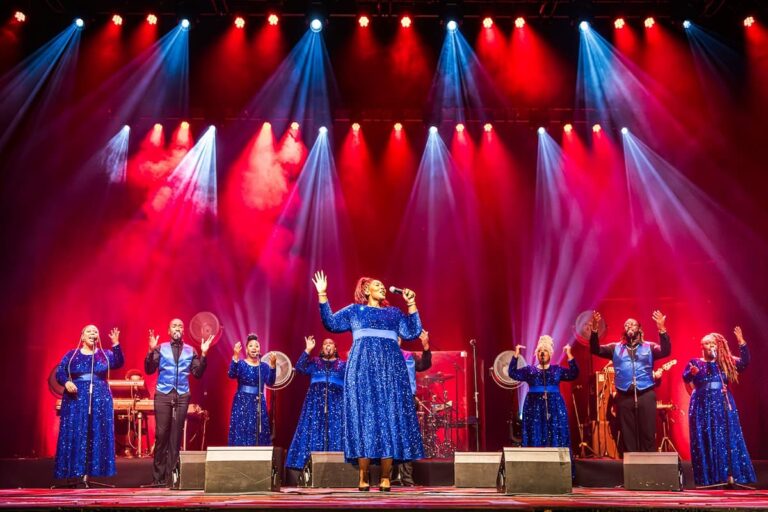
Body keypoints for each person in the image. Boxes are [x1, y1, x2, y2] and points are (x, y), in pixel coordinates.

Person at [312, 270, 423, 492]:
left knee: (389, 418)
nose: (382, 287)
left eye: (383, 285)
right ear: (366, 290)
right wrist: (322, 295)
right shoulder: (355, 311)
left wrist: (411, 304)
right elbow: (331, 323)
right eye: (377, 284)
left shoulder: (393, 313)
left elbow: (412, 331)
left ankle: (385, 476)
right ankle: (363, 474)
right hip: (361, 370)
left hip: (391, 372)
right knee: (363, 418)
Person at [683, 327, 755, 486]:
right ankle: (709, 477)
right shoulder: (695, 362)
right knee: (705, 438)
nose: (710, 346)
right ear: (702, 347)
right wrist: (692, 374)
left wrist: (741, 342)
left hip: (722, 403)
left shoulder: (724, 361)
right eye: (707, 344)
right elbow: (685, 376)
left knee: (724, 438)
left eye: (713, 343)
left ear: (718, 345)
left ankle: (728, 474)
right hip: (701, 404)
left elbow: (744, 363)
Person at [589, 310, 670, 453]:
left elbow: (666, 351)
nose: (629, 326)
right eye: (626, 325)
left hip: (646, 394)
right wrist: (594, 330)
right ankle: (631, 469)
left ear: (639, 328)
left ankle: (649, 468)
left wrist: (661, 329)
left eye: (632, 324)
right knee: (628, 435)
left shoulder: (649, 347)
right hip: (625, 395)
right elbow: (595, 349)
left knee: (647, 433)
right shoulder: (615, 348)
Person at [145, 318, 212, 486]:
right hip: (163, 394)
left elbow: (197, 373)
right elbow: (149, 369)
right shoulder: (161, 348)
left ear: (183, 331)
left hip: (182, 395)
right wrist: (150, 350)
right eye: (174, 326)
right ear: (169, 330)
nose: (177, 328)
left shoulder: (191, 350)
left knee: (176, 437)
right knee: (162, 435)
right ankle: (157, 478)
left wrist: (203, 354)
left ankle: (171, 478)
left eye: (180, 326)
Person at [54, 325, 124, 483]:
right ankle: (74, 472)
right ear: (82, 336)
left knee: (95, 432)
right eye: (89, 331)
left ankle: (90, 473)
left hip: (100, 397)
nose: (93, 333)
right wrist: (66, 383)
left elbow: (118, 362)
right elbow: (60, 372)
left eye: (95, 332)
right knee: (77, 431)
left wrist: (116, 344)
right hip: (76, 397)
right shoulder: (72, 355)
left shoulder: (104, 355)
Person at [285, 336, 346, 471]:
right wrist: (308, 349)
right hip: (315, 405)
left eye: (331, 344)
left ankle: (336, 467)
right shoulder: (315, 362)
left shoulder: (343, 365)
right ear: (322, 348)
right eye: (325, 344)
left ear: (335, 348)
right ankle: (309, 466)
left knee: (335, 431)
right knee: (313, 430)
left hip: (336, 405)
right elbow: (300, 368)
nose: (328, 345)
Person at [508, 336, 578, 449]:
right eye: (540, 351)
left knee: (555, 432)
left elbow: (574, 373)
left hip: (554, 405)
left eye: (545, 350)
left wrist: (569, 355)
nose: (542, 353)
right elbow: (512, 373)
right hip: (533, 406)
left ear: (550, 353)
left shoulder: (557, 370)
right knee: (536, 432)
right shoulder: (529, 370)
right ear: (537, 354)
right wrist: (516, 354)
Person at [396, 329, 432, 486]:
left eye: (397, 337)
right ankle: (389, 477)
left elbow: (424, 364)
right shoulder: (380, 356)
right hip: (387, 399)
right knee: (390, 437)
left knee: (407, 437)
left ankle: (407, 478)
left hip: (407, 399)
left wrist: (425, 346)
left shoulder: (408, 355)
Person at [228, 334, 277, 446]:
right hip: (242, 401)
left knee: (258, 430)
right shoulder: (241, 364)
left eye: (257, 346)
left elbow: (270, 382)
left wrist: (273, 366)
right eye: (251, 346)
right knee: (242, 429)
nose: (254, 348)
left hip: (258, 401)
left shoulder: (263, 366)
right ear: (246, 349)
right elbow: (231, 374)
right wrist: (235, 356)